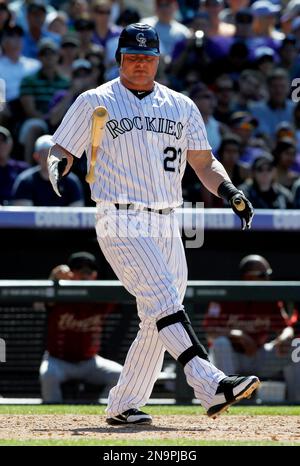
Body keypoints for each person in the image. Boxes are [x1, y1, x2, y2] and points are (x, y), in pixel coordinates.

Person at [47, 23, 259, 425]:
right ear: (120, 58)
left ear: (159, 59)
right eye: (132, 56)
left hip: (168, 219)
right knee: (164, 301)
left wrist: (230, 189)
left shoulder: (182, 105)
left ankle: (124, 403)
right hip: (119, 216)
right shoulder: (96, 100)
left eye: (147, 56)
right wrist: (57, 164)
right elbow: (62, 148)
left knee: (158, 316)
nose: (140, 63)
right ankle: (209, 381)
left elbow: (202, 162)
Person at [203, 255, 300, 402]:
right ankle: (227, 401)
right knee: (221, 343)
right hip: (231, 359)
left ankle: (296, 403)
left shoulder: (270, 298)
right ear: (248, 277)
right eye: (263, 275)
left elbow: (286, 328)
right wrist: (237, 335)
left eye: (269, 274)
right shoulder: (226, 295)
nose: (268, 279)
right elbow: (210, 333)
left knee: (296, 345)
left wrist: (285, 337)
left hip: (259, 355)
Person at [39, 251, 123, 403]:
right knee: (48, 376)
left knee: (121, 375)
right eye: (79, 270)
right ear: (69, 274)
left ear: (95, 275)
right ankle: (52, 417)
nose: (85, 275)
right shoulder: (58, 294)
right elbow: (38, 305)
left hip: (90, 361)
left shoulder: (102, 296)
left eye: (89, 271)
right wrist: (53, 279)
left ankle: (105, 409)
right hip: (58, 361)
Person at [12, 134, 84, 206]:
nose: (49, 158)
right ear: (36, 156)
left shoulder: (72, 181)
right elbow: (24, 214)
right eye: (44, 154)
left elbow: (76, 211)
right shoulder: (25, 181)